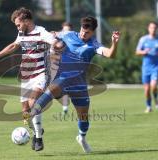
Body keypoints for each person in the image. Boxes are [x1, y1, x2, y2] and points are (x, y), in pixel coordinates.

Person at [24, 16, 120, 153]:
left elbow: (110, 54)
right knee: (42, 100)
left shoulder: (94, 45)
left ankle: (81, 137)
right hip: (62, 79)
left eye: (87, 32)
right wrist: (45, 39)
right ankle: (35, 129)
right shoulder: (68, 35)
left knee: (84, 118)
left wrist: (114, 43)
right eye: (82, 30)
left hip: (79, 85)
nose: (83, 34)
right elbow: (51, 34)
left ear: (92, 32)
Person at [0, 7, 56, 151]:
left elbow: (54, 41)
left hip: (41, 74)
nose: (18, 27)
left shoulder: (41, 32)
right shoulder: (22, 33)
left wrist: (56, 43)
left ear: (26, 20)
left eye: (19, 24)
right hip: (26, 77)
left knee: (33, 103)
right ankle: (36, 131)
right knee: (25, 113)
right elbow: (14, 45)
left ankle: (38, 138)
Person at [136, 21, 158, 113]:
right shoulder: (143, 39)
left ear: (156, 29)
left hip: (156, 67)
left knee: (153, 86)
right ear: (148, 29)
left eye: (155, 28)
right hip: (146, 68)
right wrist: (143, 52)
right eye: (151, 27)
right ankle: (148, 106)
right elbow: (137, 51)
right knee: (147, 90)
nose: (153, 29)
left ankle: (155, 99)